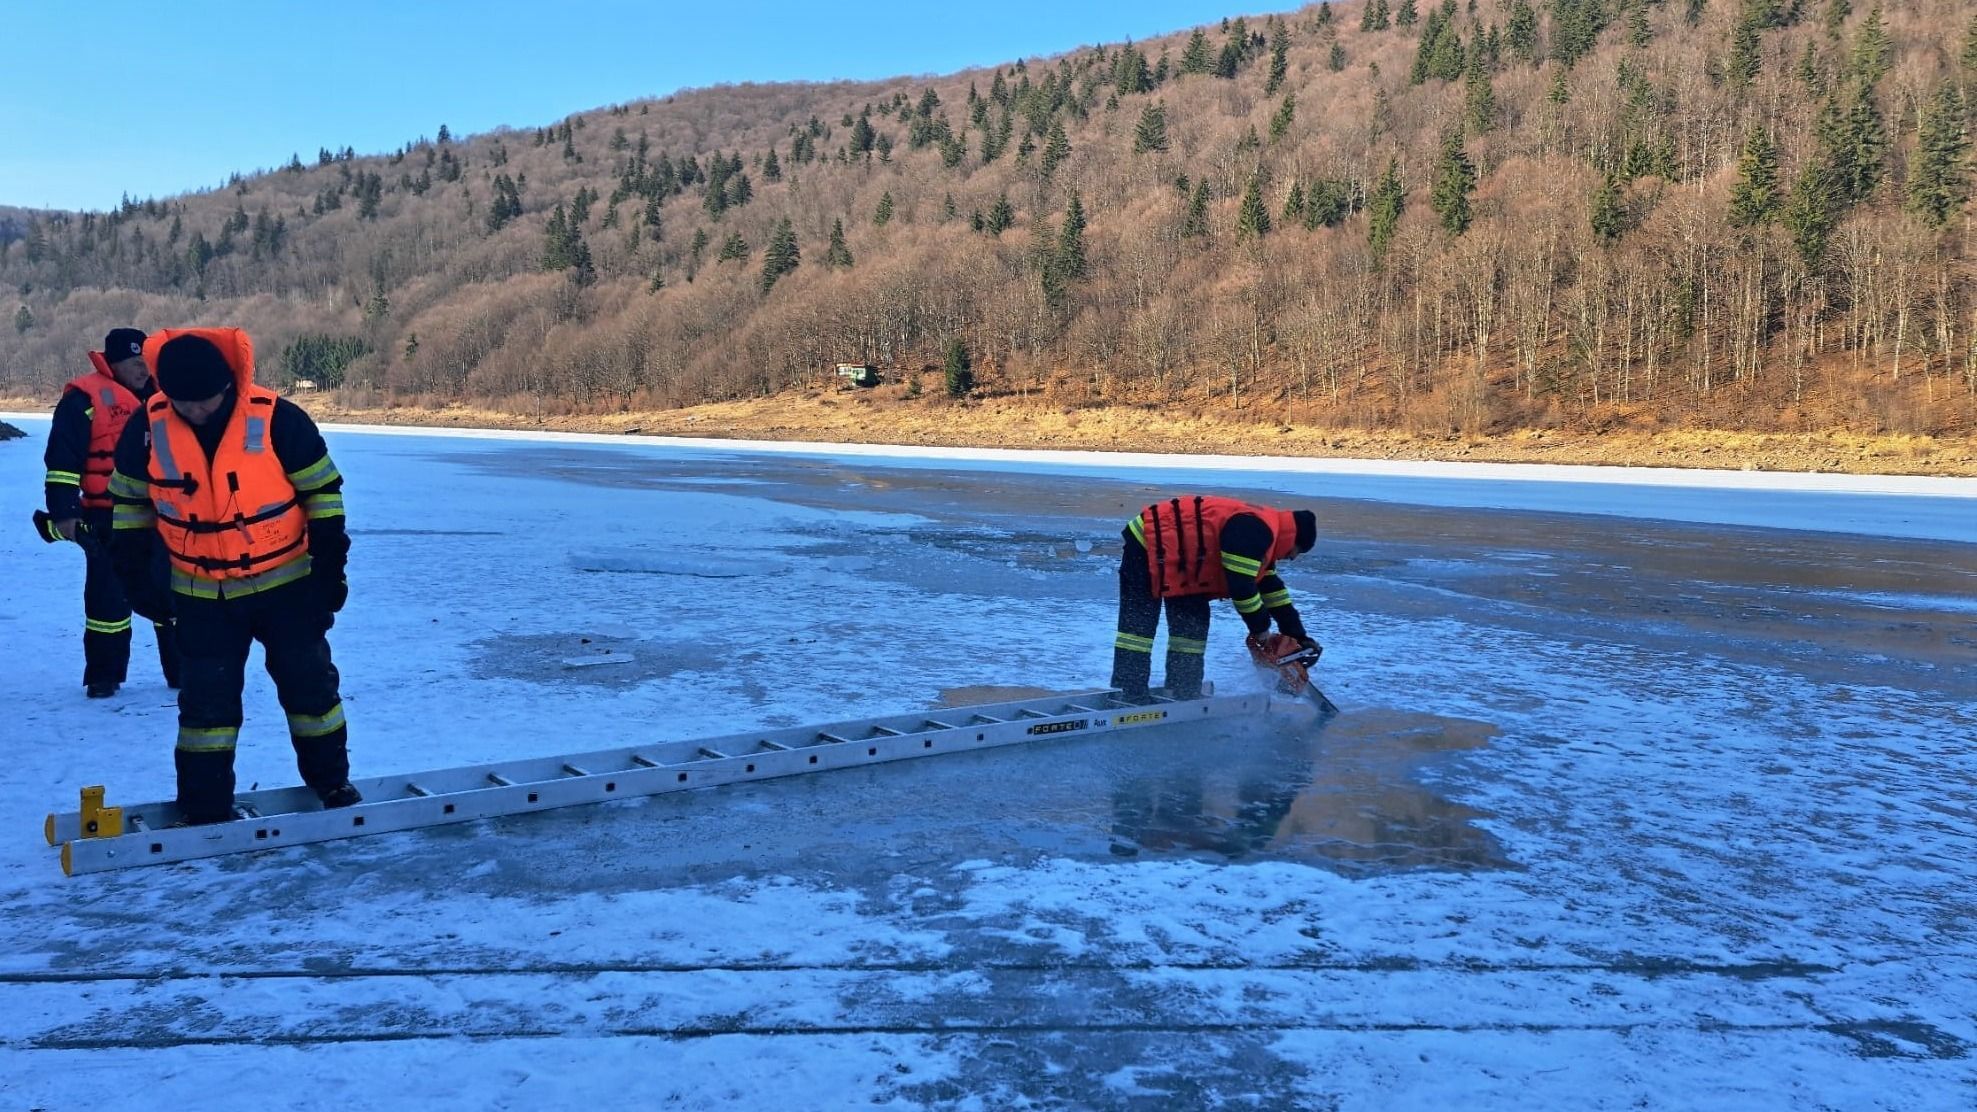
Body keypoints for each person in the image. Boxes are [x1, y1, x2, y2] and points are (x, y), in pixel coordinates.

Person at [106, 327, 359, 824]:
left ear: (227, 386)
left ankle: (331, 783)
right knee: (206, 709)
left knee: (312, 693)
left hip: (287, 587)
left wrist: (329, 573)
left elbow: (324, 498)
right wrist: (135, 574)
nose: (195, 411)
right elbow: (130, 505)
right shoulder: (147, 425)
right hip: (201, 595)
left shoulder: (278, 419)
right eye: (184, 402)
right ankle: (204, 804)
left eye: (205, 401)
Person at [42, 328, 180, 697]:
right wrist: (65, 513)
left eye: (145, 362)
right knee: (107, 601)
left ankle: (182, 672)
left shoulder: (165, 398)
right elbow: (62, 462)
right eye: (133, 362)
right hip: (108, 516)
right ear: (112, 363)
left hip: (162, 515)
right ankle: (105, 676)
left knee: (172, 594)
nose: (141, 369)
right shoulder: (82, 401)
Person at [1109, 495, 1320, 701]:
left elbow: (1273, 591)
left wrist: (1298, 636)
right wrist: (1262, 633)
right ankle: (1131, 691)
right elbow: (1242, 589)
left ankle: (1185, 689)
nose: (1292, 558)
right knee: (1138, 628)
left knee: (1191, 632)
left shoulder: (1266, 538)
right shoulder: (1255, 531)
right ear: (1292, 538)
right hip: (1148, 541)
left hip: (1186, 563)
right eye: (1298, 551)